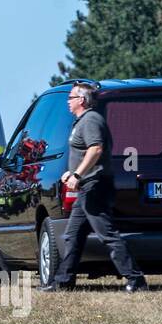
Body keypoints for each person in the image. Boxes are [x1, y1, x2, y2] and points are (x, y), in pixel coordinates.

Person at [43, 83, 147, 293]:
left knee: (107, 233)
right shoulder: (81, 121)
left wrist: (78, 174)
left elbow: (96, 149)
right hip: (86, 187)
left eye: (70, 97)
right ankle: (63, 281)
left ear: (81, 100)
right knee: (73, 235)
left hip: (95, 186)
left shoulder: (91, 120)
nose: (68, 101)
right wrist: (72, 173)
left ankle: (135, 279)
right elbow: (84, 153)